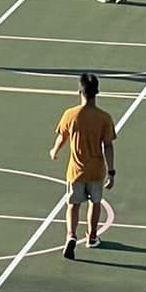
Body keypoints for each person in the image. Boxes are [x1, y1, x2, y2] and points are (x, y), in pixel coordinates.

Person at [49, 72, 116, 257]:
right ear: (97, 92)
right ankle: (92, 236)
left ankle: (71, 235)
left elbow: (62, 137)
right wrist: (111, 172)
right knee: (95, 203)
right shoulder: (104, 118)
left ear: (80, 91)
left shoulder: (70, 115)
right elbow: (108, 145)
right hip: (96, 170)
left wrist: (54, 151)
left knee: (73, 204)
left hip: (75, 170)